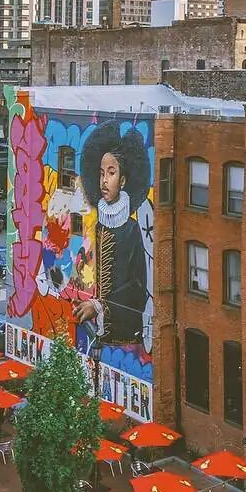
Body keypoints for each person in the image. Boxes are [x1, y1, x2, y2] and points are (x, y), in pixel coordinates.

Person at [71, 121, 150, 346]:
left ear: (122, 181)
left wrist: (100, 306)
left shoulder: (131, 229)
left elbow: (136, 286)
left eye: (111, 173)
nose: (104, 180)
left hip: (125, 329)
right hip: (102, 326)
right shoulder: (100, 225)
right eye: (101, 173)